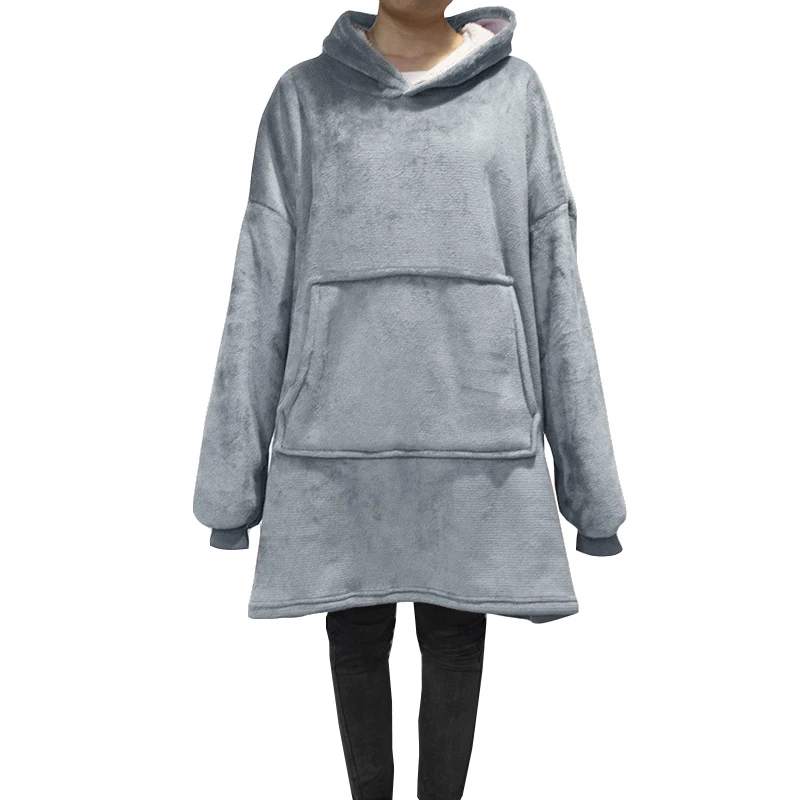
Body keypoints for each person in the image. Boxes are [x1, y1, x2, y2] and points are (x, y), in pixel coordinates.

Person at [193, 3, 627, 799]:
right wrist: (231, 487)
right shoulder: (305, 97)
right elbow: (262, 279)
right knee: (356, 636)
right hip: (335, 438)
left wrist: (591, 490)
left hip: (478, 437)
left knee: (455, 639)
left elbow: (555, 279)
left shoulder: (515, 94)